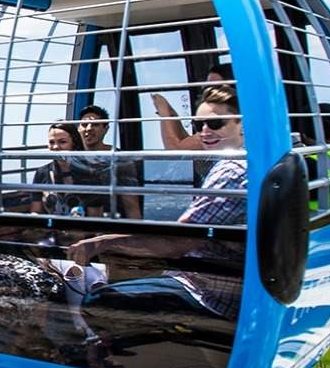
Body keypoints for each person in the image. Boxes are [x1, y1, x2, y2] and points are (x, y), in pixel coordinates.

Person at [67, 85, 247, 319]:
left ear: (242, 124)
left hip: (209, 290)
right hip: (201, 274)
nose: (204, 132)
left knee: (98, 303)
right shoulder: (231, 163)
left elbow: (175, 242)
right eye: (199, 124)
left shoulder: (231, 172)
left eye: (215, 124)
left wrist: (102, 243)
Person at [72, 105, 144, 219]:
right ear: (78, 128)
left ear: (106, 129)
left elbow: (131, 205)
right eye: (84, 125)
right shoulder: (73, 158)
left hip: (111, 223)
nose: (89, 128)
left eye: (96, 124)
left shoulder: (120, 160)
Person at [30, 121, 85, 215]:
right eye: (52, 142)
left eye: (62, 142)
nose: (55, 147)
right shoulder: (41, 173)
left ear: (74, 143)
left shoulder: (88, 172)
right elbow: (36, 210)